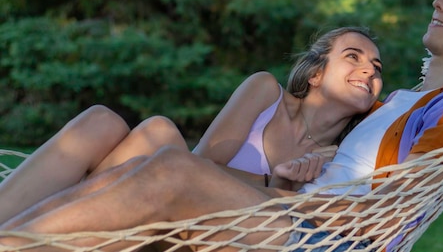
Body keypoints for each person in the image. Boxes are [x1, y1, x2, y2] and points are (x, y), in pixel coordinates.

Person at [0, 0, 443, 251]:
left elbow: (384, 217)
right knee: (157, 164)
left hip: (325, 242)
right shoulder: (403, 101)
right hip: (296, 220)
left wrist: (285, 197)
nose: (440, 1)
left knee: (169, 172)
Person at [0, 26, 383, 225]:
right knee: (103, 121)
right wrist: (271, 183)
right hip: (150, 199)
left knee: (160, 134)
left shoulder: (339, 159)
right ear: (315, 74)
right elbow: (197, 166)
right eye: (354, 57)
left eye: (377, 68)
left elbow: (196, 186)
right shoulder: (265, 92)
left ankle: (24, 237)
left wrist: (279, 190)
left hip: (185, 229)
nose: (369, 69)